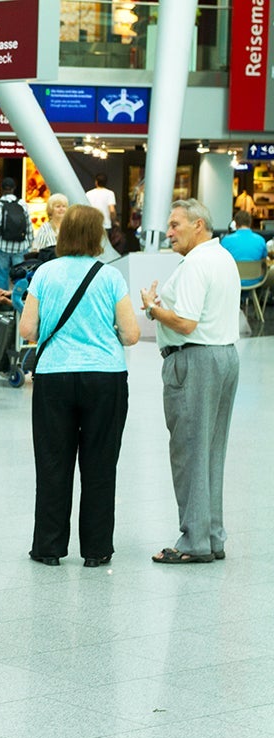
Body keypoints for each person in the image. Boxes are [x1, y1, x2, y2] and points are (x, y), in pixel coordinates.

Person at [19, 205, 141, 568]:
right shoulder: (111, 277)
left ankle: (49, 547)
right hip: (105, 377)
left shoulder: (44, 273)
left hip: (54, 377)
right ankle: (97, 549)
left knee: (53, 462)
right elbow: (132, 334)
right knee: (101, 464)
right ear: (96, 236)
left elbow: (27, 330)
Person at [141, 199, 241, 565]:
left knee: (189, 451)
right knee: (212, 450)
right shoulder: (222, 258)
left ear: (198, 225)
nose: (168, 232)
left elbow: (185, 322)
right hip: (225, 356)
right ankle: (212, 534)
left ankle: (194, 541)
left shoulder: (197, 264)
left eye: (175, 224)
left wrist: (152, 307)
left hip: (195, 360)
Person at [0, 177, 32, 292]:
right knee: (21, 277)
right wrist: (29, 244)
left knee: (2, 276)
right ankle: (19, 303)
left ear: (2, 189)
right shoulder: (23, 205)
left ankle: (3, 304)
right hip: (21, 247)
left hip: (2, 247)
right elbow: (29, 227)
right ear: (14, 189)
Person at [220, 209, 267, 290]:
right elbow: (264, 260)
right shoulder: (261, 240)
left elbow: (220, 261)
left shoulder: (226, 240)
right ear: (250, 223)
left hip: (232, 281)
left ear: (235, 223)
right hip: (255, 280)